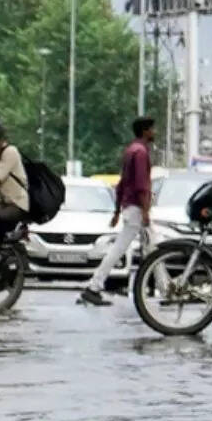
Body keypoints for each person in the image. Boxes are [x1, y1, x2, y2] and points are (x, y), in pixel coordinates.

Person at [80, 116, 156, 307]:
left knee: (154, 247)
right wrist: (145, 210)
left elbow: (122, 184)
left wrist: (116, 211)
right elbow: (141, 185)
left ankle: (165, 287)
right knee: (121, 249)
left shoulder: (131, 150)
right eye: (152, 129)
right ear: (145, 131)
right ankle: (94, 286)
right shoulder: (140, 153)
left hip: (131, 207)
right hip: (137, 208)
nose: (155, 132)